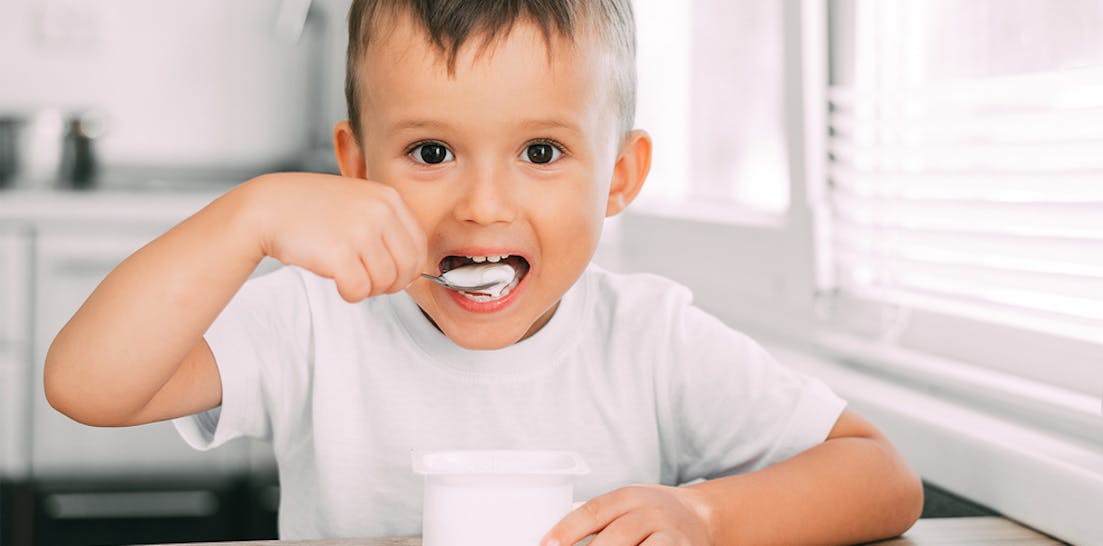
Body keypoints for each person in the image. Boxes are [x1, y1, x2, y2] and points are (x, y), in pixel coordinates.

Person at [44, 0, 923, 543]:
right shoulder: (316, 318)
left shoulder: (651, 340)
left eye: (541, 151)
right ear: (357, 168)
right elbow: (87, 386)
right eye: (432, 151)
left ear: (619, 177)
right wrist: (248, 219)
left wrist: (705, 517)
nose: (484, 206)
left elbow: (882, 477)